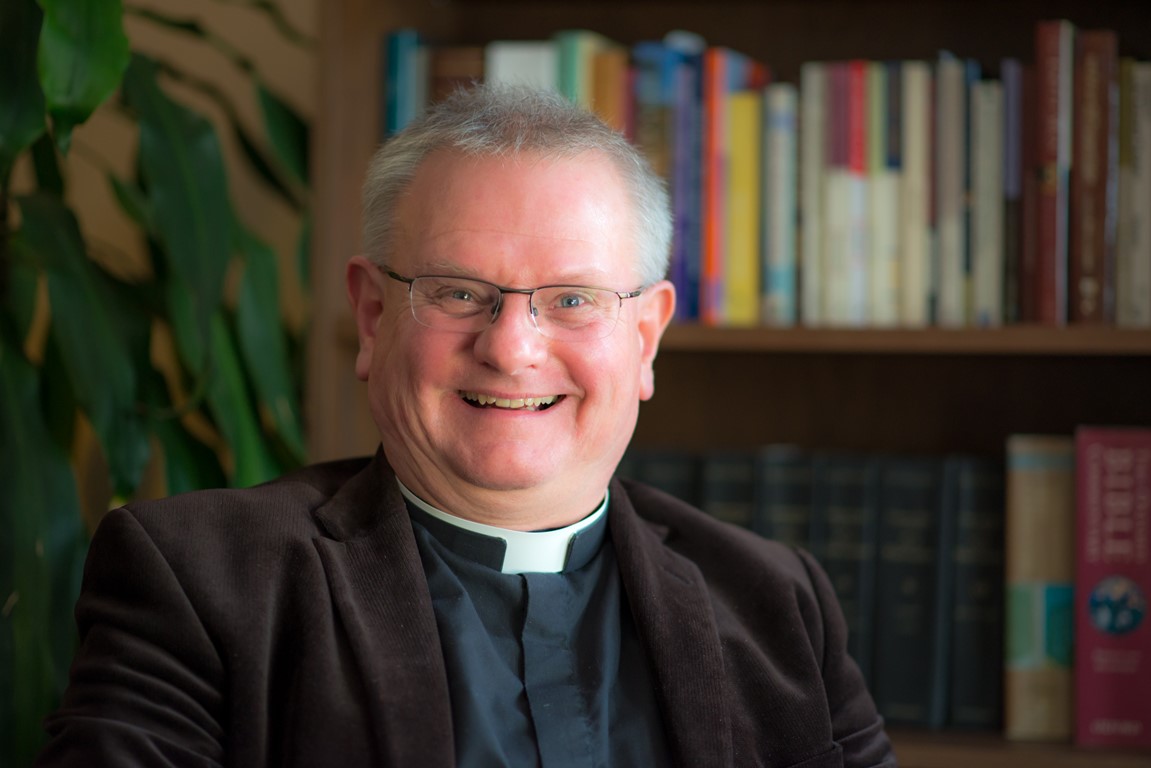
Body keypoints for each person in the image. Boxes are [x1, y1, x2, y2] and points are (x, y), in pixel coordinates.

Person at [36, 85, 897, 767]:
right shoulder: (202, 581)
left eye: (571, 300)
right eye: (457, 293)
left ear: (643, 338)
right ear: (373, 317)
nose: (511, 348)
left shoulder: (777, 600)